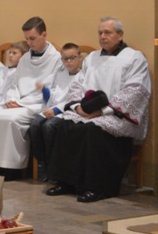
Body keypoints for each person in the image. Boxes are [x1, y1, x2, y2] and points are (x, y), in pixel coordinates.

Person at [46, 18, 150, 202]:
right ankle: (66, 182)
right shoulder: (92, 58)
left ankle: (98, 187)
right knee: (65, 124)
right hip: (87, 111)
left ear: (120, 35)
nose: (103, 36)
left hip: (117, 115)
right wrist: (78, 107)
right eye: (100, 33)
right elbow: (77, 85)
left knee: (92, 129)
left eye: (108, 32)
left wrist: (103, 112)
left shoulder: (134, 58)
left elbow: (135, 91)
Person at [0, 17, 62, 172]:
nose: (29, 43)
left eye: (32, 38)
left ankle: (11, 169)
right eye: (26, 39)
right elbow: (14, 82)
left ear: (44, 34)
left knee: (11, 120)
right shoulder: (25, 58)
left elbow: (50, 89)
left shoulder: (56, 59)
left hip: (36, 105)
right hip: (18, 101)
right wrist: (13, 99)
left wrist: (21, 103)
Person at [29, 43, 84, 181]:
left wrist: (56, 110)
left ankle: (53, 166)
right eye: (65, 59)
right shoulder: (60, 73)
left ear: (80, 57)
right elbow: (54, 93)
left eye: (72, 58)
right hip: (53, 108)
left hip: (70, 111)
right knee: (35, 125)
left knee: (49, 127)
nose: (69, 62)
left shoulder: (84, 76)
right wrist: (45, 90)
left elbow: (76, 99)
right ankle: (42, 163)